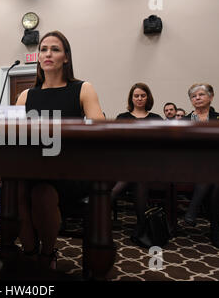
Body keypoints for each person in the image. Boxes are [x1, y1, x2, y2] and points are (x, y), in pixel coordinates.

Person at [15, 30, 105, 268]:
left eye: (55, 49)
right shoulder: (26, 95)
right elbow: (13, 138)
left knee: (41, 192)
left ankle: (46, 254)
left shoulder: (83, 88)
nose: (47, 54)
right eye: (43, 49)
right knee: (13, 190)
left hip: (70, 169)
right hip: (34, 168)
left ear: (66, 57)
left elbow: (99, 132)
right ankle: (30, 251)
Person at [113, 83, 163, 248]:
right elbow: (116, 143)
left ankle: (104, 201)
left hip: (151, 164)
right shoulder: (122, 117)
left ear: (148, 97)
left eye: (143, 95)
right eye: (136, 96)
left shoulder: (156, 118)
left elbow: (162, 144)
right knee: (137, 175)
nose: (140, 98)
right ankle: (141, 226)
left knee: (139, 173)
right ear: (131, 98)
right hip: (125, 163)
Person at [182, 83, 219, 250]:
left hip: (215, 165)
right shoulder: (185, 121)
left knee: (215, 176)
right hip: (190, 166)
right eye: (194, 96)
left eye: (201, 94)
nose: (197, 98)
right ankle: (215, 230)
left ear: (211, 97)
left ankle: (193, 210)